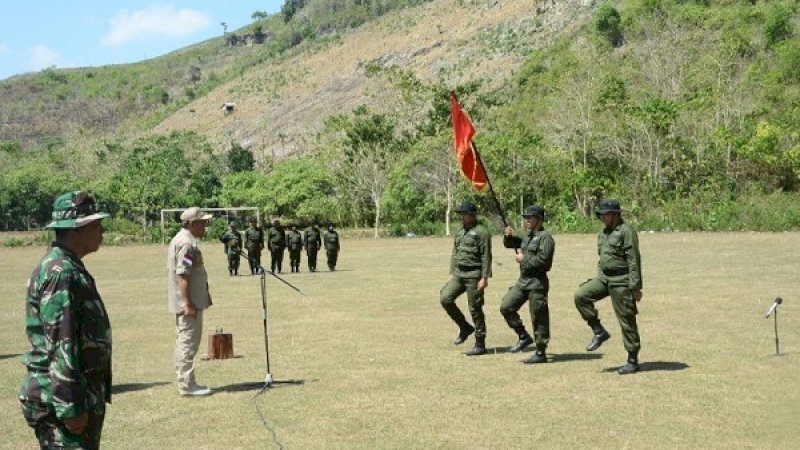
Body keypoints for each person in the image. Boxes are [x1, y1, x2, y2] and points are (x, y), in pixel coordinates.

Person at [19, 191, 112, 449]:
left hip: (73, 394)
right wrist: (70, 406)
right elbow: (62, 342)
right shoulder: (62, 273)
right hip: (61, 400)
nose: (102, 230)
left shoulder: (67, 266)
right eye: (95, 224)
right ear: (76, 229)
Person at [574, 199, 643, 375]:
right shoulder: (603, 233)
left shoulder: (626, 232)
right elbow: (602, 257)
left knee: (626, 320)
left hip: (622, 280)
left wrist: (635, 287)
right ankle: (598, 331)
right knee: (581, 295)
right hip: (604, 278)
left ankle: (632, 360)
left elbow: (634, 260)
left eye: (605, 214)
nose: (602, 218)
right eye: (601, 215)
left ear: (615, 214)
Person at [167, 207, 214, 395]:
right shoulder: (186, 243)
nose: (206, 226)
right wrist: (188, 304)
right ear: (192, 224)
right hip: (188, 304)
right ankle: (187, 385)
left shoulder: (185, 240)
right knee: (187, 343)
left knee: (186, 341)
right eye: (203, 222)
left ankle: (187, 382)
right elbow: (183, 276)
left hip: (190, 302)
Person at [500, 205, 555, 364]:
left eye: (529, 218)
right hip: (523, 280)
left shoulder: (546, 238)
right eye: (526, 218)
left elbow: (545, 263)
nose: (526, 221)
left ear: (539, 219)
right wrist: (508, 237)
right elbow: (511, 244)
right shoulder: (527, 236)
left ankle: (540, 351)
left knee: (538, 316)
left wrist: (525, 260)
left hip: (537, 282)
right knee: (506, 306)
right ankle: (523, 336)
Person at [439, 202, 492, 356]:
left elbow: (486, 256)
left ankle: (480, 343)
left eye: (465, 214)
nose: (462, 217)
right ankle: (464, 327)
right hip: (459, 274)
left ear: (472, 215)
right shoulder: (460, 231)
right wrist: (452, 274)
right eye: (461, 214)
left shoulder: (482, 232)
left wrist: (485, 277)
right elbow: (455, 253)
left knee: (475, 308)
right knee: (445, 298)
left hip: (474, 275)